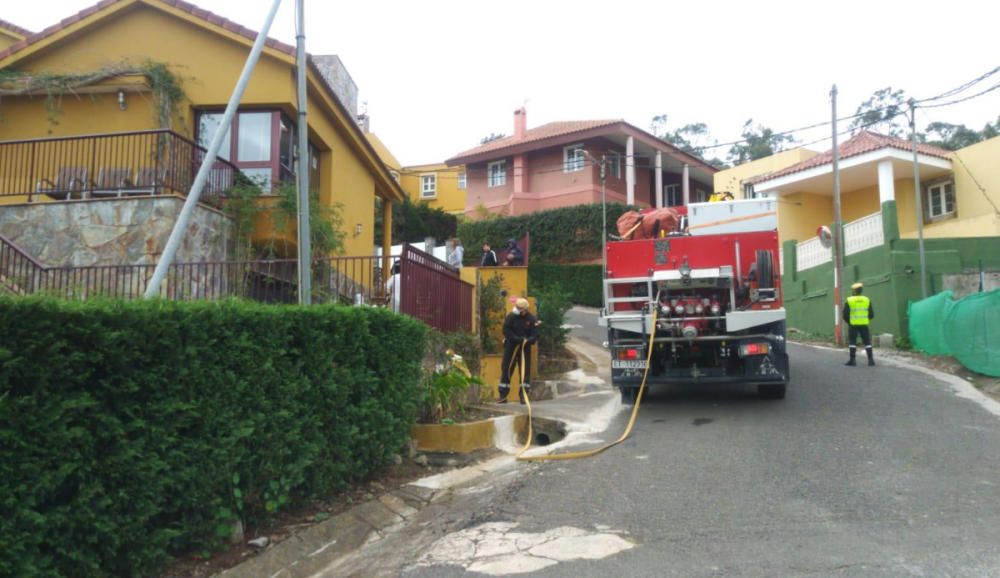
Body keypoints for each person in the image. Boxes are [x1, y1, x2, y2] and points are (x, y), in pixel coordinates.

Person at [498, 298, 538, 404]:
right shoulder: (511, 317)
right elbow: (506, 330)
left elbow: (534, 335)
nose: (518, 310)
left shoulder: (531, 319)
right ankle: (502, 395)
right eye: (517, 307)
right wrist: (515, 338)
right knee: (507, 369)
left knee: (524, 372)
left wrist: (528, 340)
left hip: (524, 349)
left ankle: (523, 396)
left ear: (525, 309)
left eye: (520, 308)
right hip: (511, 346)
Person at [843, 282, 875, 366]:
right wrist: (864, 320)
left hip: (853, 324)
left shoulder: (849, 300)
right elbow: (871, 314)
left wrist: (849, 322)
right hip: (864, 324)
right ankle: (871, 360)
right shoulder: (866, 299)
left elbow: (845, 314)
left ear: (854, 291)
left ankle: (852, 360)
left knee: (852, 341)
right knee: (867, 341)